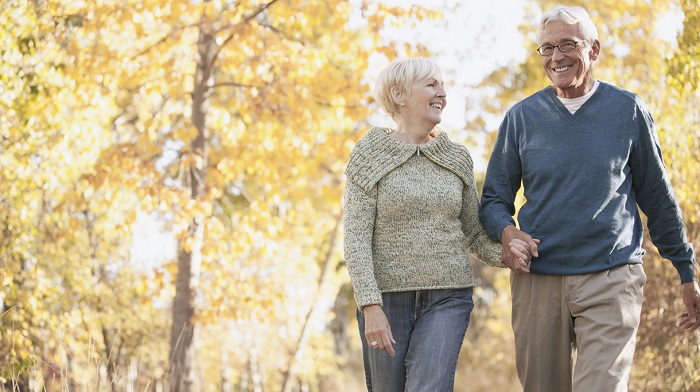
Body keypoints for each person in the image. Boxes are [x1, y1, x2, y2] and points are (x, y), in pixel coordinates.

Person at [479, 5, 700, 391]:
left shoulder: (627, 110)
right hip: (539, 279)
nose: (556, 56)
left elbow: (658, 198)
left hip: (611, 275)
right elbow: (494, 198)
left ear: (593, 50)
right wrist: (506, 232)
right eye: (547, 48)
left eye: (567, 44)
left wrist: (686, 270)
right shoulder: (521, 118)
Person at [343, 57, 510, 392]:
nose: (442, 93)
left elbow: (474, 232)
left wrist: (508, 255)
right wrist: (370, 305)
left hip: (448, 296)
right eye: (432, 85)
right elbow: (356, 238)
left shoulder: (456, 157)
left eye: (443, 86)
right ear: (399, 95)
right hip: (386, 301)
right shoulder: (369, 154)